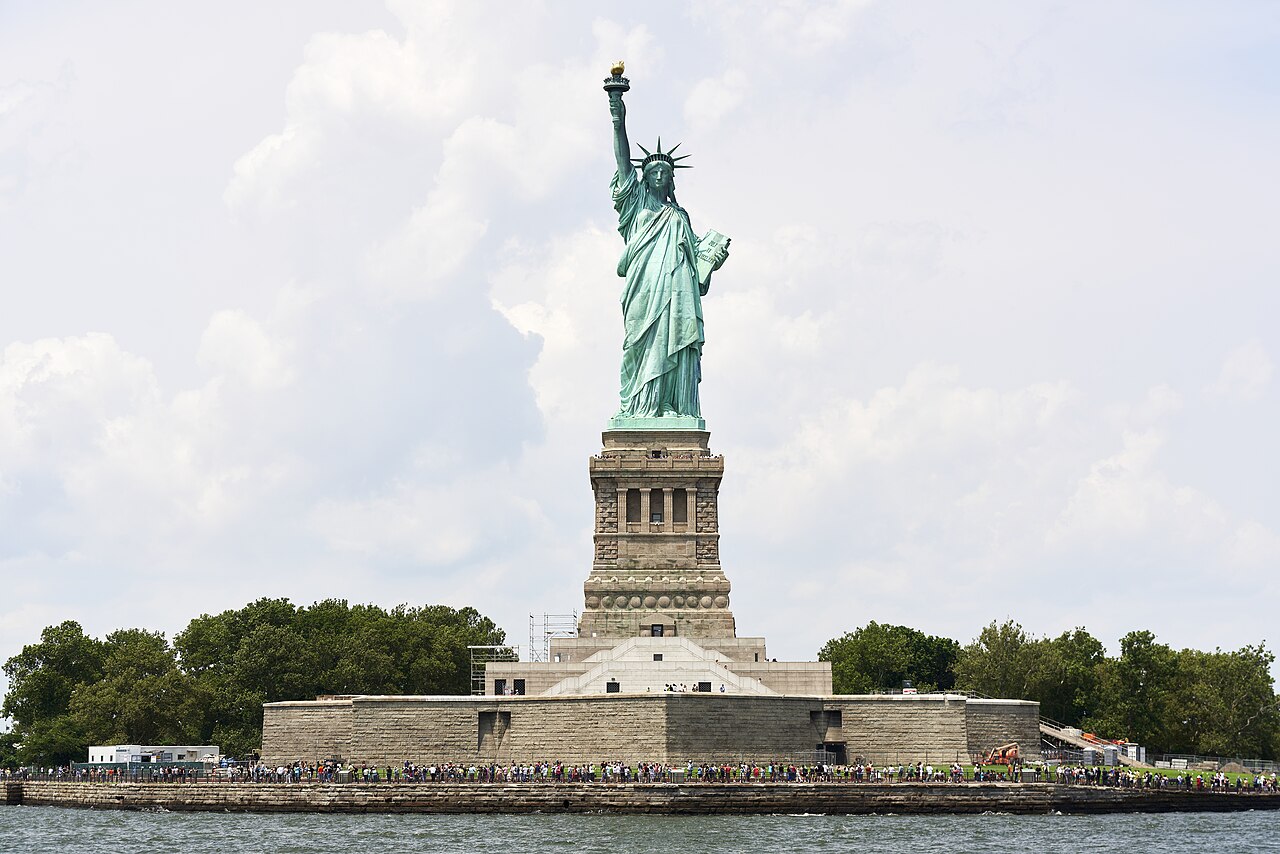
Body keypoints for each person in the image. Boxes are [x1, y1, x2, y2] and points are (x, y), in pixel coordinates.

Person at [607, 87, 728, 420]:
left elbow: (698, 269)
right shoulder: (635, 207)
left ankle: (670, 405)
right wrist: (618, 114)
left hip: (678, 292)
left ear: (672, 179)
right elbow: (621, 159)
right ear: (644, 178)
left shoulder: (680, 217)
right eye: (653, 172)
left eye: (665, 172)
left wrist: (711, 258)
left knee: (673, 338)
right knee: (640, 343)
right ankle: (642, 406)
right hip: (645, 291)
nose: (659, 175)